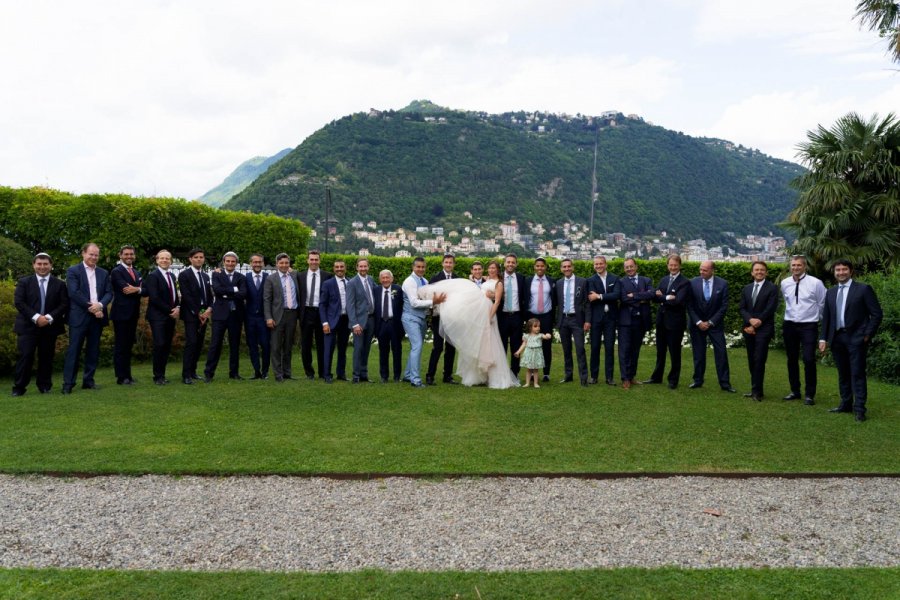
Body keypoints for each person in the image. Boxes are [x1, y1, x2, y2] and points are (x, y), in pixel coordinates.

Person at [418, 260, 519, 389]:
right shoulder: (477, 281)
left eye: (493, 268)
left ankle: (484, 375)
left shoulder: (493, 282)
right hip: (468, 318)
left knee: (485, 346)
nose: (491, 270)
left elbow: (498, 299)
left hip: (486, 317)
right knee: (444, 347)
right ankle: (432, 375)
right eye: (490, 268)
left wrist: (491, 306)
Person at [818, 259, 883, 422]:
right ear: (834, 272)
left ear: (851, 271)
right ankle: (845, 404)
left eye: (844, 269)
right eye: (837, 270)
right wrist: (823, 338)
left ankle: (860, 409)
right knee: (843, 373)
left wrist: (866, 334)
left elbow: (876, 314)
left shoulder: (863, 289)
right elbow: (827, 317)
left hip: (856, 338)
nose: (841, 273)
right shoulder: (831, 292)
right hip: (837, 338)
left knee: (857, 373)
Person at [12, 253, 68, 396]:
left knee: (46, 357)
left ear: (51, 265)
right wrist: (36, 317)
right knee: (26, 356)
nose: (42, 267)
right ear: (34, 265)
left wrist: (48, 317)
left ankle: (44, 386)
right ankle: (19, 388)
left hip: (49, 327)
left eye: (45, 264)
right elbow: (19, 302)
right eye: (39, 264)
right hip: (27, 326)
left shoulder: (60, 284)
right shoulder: (24, 282)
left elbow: (64, 304)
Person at [63, 242, 112, 394]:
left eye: (96, 255)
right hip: (79, 317)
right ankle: (68, 384)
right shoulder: (73, 270)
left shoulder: (103, 273)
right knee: (74, 350)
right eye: (91, 254)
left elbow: (109, 293)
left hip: (97, 317)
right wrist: (93, 307)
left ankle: (88, 381)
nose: (94, 257)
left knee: (93, 351)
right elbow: (74, 292)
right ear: (83, 253)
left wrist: (101, 305)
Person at [780, 255, 826, 405]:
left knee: (808, 359)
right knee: (791, 359)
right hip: (790, 324)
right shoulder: (785, 283)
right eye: (793, 265)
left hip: (808, 325)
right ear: (790, 267)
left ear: (805, 266)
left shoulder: (815, 283)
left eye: (798, 265)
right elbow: (787, 301)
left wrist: (817, 320)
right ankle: (795, 391)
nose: (795, 268)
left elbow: (822, 303)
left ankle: (809, 394)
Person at [687, 260, 735, 392]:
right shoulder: (692, 283)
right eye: (701, 269)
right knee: (698, 353)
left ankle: (725, 383)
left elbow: (724, 306)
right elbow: (689, 305)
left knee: (721, 354)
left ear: (712, 270)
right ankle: (697, 380)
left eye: (705, 270)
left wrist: (710, 322)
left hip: (715, 326)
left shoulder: (723, 284)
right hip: (697, 325)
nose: (701, 272)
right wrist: (698, 322)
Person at [644, 254, 690, 389]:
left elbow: (678, 301)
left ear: (680, 266)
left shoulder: (685, 282)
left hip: (675, 323)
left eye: (675, 265)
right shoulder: (664, 280)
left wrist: (662, 297)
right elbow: (654, 297)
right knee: (660, 351)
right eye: (670, 265)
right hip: (661, 321)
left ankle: (673, 380)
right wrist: (667, 297)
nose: (673, 267)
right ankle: (657, 377)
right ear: (667, 266)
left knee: (675, 352)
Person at [401, 257, 446, 387]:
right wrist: (434, 302)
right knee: (417, 346)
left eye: (423, 267)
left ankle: (408, 375)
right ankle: (415, 380)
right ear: (413, 267)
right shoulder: (409, 281)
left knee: (415, 347)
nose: (421, 269)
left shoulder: (425, 281)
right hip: (410, 317)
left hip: (421, 319)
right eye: (418, 267)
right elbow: (414, 303)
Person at [738, 261, 780, 401]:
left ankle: (756, 392)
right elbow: (742, 308)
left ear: (766, 272)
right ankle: (756, 389)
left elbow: (770, 308)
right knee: (751, 359)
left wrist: (757, 322)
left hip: (764, 329)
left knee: (759, 359)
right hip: (748, 328)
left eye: (762, 270)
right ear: (752, 272)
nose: (759, 272)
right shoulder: (747, 288)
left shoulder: (772, 288)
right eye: (756, 270)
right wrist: (750, 321)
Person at [204, 251, 247, 382]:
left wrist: (226, 292)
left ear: (236, 263)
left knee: (234, 345)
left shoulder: (241, 277)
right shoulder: (216, 274)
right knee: (215, 344)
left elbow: (243, 294)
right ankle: (209, 374)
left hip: (236, 315)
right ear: (224, 262)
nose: (230, 263)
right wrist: (234, 289)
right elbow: (217, 290)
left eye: (233, 261)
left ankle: (234, 373)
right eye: (227, 261)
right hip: (220, 315)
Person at [143, 249, 180, 385]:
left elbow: (175, 295)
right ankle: (157, 376)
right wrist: (171, 310)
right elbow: (155, 298)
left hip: (170, 316)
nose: (165, 260)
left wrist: (178, 308)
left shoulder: (172, 276)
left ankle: (162, 374)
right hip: (158, 316)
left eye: (167, 258)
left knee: (166, 345)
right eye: (162, 258)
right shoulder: (153, 276)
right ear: (157, 260)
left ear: (170, 261)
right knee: (159, 344)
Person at [617, 258, 654, 389]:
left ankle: (632, 376)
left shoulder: (646, 280)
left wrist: (634, 295)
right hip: (625, 321)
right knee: (624, 350)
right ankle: (625, 378)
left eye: (631, 266)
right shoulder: (620, 282)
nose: (629, 269)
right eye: (626, 267)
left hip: (641, 321)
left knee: (635, 350)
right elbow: (624, 298)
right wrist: (641, 298)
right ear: (624, 269)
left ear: (636, 266)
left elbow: (651, 294)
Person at [179, 248, 213, 385]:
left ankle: (193, 371)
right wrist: (198, 312)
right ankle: (186, 374)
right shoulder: (184, 275)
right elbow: (186, 296)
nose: (199, 259)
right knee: (191, 342)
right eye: (196, 257)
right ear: (190, 259)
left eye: (201, 257)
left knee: (199, 344)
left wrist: (209, 310)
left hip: (204, 314)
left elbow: (210, 296)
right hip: (191, 315)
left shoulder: (205, 276)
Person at [109, 245, 143, 385]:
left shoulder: (136, 272)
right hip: (121, 314)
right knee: (121, 346)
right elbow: (125, 289)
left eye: (131, 254)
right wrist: (139, 289)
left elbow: (145, 290)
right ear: (120, 255)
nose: (129, 256)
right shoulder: (116, 271)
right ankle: (121, 377)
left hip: (133, 314)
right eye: (126, 254)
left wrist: (138, 289)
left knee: (128, 345)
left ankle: (128, 375)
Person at [264, 253, 300, 382]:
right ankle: (278, 374)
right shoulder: (271, 279)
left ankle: (287, 372)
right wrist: (268, 317)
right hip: (277, 316)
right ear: (277, 264)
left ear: (289, 264)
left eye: (286, 263)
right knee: (276, 346)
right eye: (281, 263)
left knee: (288, 346)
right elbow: (267, 300)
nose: (284, 265)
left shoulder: (294, 276)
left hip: (292, 315)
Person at [555, 258, 591, 386]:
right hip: (563, 319)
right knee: (566, 350)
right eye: (564, 267)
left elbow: (587, 303)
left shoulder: (582, 281)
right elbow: (556, 303)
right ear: (561, 269)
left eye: (569, 266)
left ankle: (583, 378)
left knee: (580, 349)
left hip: (577, 320)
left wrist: (587, 320)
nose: (566, 269)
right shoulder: (558, 283)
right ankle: (568, 375)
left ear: (573, 267)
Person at [298, 250, 332, 380]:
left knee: (322, 344)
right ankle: (309, 373)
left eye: (316, 259)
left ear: (319, 261)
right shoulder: (300, 276)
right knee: (306, 344)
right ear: (307, 260)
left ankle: (322, 372)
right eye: (311, 259)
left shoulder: (327, 276)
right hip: (306, 312)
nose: (314, 262)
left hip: (321, 313)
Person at [587, 255, 620, 386]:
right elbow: (590, 299)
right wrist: (606, 296)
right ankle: (594, 376)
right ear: (594, 265)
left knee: (609, 348)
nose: (598, 266)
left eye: (601, 264)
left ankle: (609, 377)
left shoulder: (615, 278)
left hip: (610, 318)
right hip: (596, 319)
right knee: (594, 347)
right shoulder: (590, 280)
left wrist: (599, 296)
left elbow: (616, 295)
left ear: (605, 264)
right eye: (596, 264)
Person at [426, 253, 458, 385]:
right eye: (446, 262)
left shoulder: (457, 279)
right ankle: (430, 375)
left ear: (454, 264)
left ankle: (448, 376)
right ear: (442, 263)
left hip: (452, 318)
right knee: (438, 347)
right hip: (438, 317)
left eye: (451, 262)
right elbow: (430, 297)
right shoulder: (435, 278)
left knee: (451, 347)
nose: (448, 264)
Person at [319, 259, 351, 383]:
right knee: (329, 349)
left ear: (345, 268)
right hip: (331, 321)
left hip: (345, 320)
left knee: (343, 349)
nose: (339, 269)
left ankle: (341, 374)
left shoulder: (350, 282)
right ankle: (327, 375)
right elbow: (322, 305)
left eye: (341, 267)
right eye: (337, 267)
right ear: (334, 269)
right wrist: (325, 323)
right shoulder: (328, 284)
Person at [346, 258, 377, 383]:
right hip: (359, 322)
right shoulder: (352, 283)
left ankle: (364, 374)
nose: (363, 268)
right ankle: (356, 375)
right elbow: (350, 305)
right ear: (357, 268)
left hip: (371, 319)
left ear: (368, 267)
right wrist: (354, 324)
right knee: (358, 348)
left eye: (365, 266)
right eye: (361, 266)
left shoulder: (371, 280)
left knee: (366, 349)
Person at [498, 253, 529, 376]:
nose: (510, 264)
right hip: (502, 317)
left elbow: (525, 298)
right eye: (508, 262)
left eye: (513, 262)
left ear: (516, 264)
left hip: (517, 317)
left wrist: (525, 318)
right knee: (502, 346)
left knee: (516, 346)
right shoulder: (499, 278)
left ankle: (514, 373)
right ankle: (501, 373)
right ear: (504, 264)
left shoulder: (522, 278)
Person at [527, 257, 555, 383]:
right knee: (532, 345)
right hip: (532, 317)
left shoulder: (551, 281)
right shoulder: (528, 281)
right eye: (537, 266)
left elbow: (555, 300)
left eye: (542, 266)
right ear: (534, 267)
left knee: (546, 345)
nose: (540, 268)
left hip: (546, 316)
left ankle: (546, 373)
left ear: (545, 267)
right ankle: (532, 372)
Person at [244, 253, 270, 380]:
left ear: (263, 263)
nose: (257, 264)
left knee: (266, 345)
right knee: (252, 346)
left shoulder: (268, 277)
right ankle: (256, 371)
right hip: (249, 318)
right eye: (255, 262)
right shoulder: (246, 277)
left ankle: (265, 371)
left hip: (264, 318)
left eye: (259, 262)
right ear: (251, 264)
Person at [375, 269, 404, 383]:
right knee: (383, 351)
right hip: (381, 324)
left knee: (397, 351)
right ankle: (384, 376)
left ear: (392, 279)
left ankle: (397, 376)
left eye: (388, 277)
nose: (385, 280)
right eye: (383, 277)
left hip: (395, 324)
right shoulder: (376, 290)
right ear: (380, 279)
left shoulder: (398, 289)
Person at [514, 317, 551, 388]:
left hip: (537, 354)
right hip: (529, 354)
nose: (538, 328)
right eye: (535, 326)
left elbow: (546, 337)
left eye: (539, 326)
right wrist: (518, 352)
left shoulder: (540, 335)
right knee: (528, 369)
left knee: (535, 370)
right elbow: (524, 344)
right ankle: (527, 383)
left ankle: (536, 383)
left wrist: (548, 335)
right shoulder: (526, 336)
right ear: (530, 327)